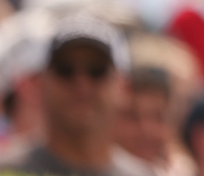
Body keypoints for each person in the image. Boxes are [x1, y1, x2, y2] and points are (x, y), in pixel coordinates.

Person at [0, 13, 152, 176]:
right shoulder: (8, 171)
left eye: (97, 70)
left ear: (124, 87)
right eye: (65, 69)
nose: (81, 85)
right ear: (40, 82)